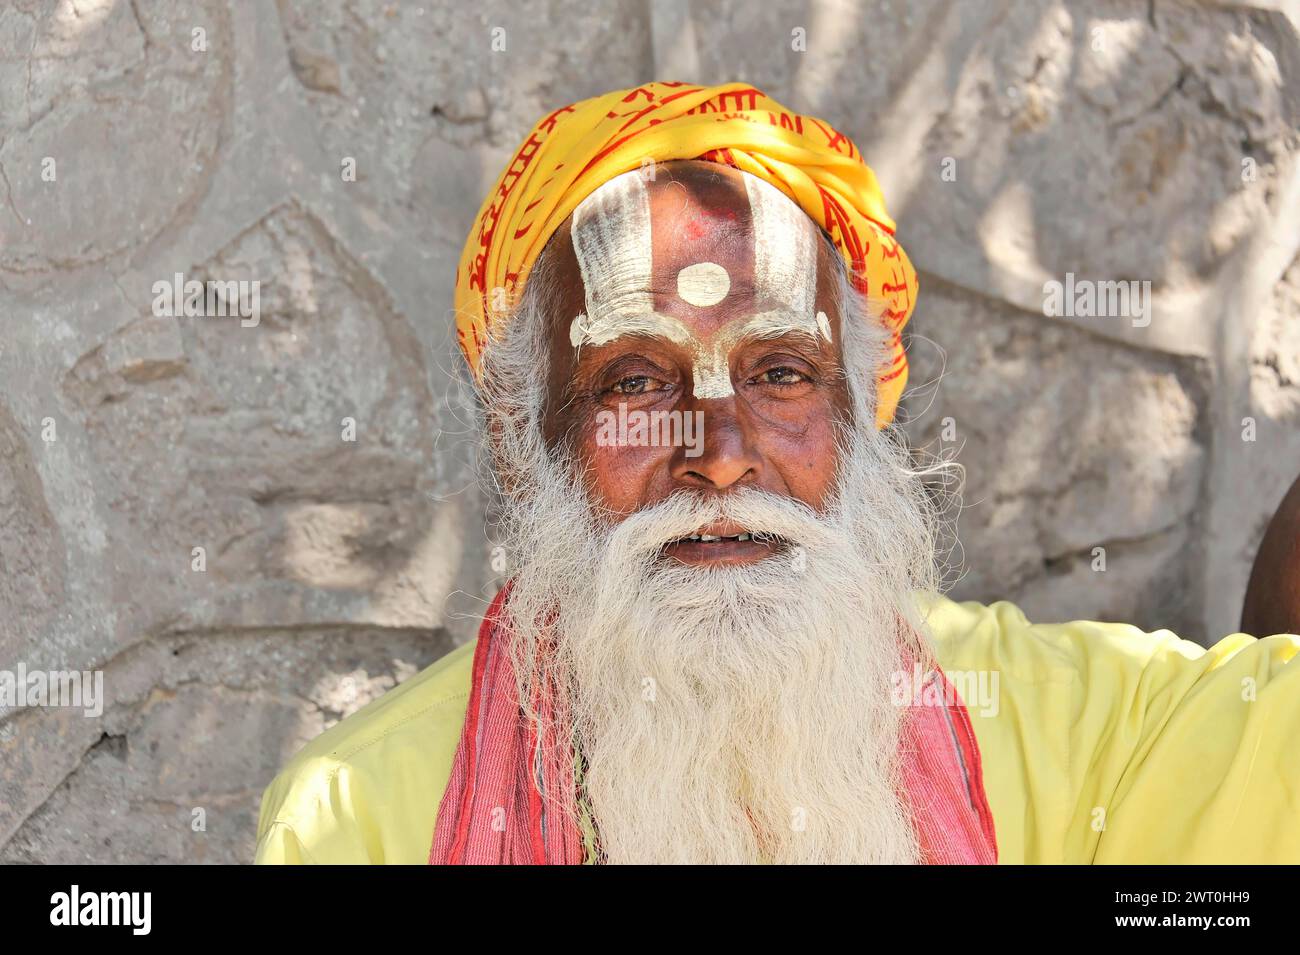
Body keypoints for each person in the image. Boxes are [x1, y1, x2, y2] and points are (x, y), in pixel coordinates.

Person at [255, 81, 1300, 865]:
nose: (718, 452)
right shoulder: (360, 820)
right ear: (525, 446)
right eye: (633, 378)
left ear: (860, 412)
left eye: (780, 371)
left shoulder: (1067, 730)